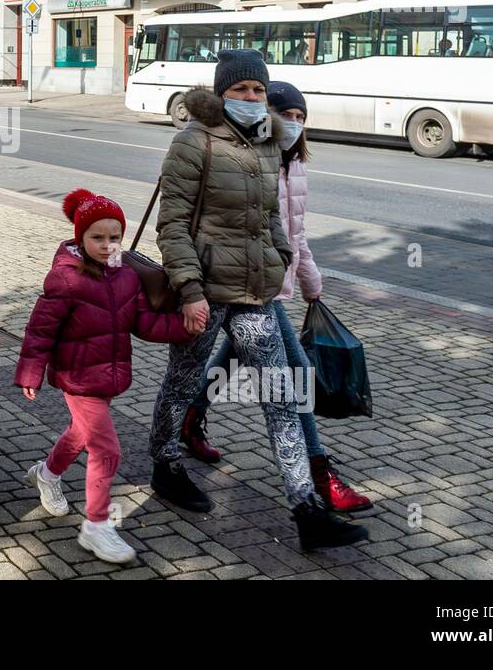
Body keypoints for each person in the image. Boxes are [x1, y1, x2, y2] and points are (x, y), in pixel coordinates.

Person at [148, 49, 368, 550]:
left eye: (258, 90)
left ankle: (307, 511)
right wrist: (189, 290)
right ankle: (164, 463)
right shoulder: (192, 142)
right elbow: (173, 225)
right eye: (241, 90)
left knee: (283, 398)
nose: (252, 98)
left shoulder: (269, 143)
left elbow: (272, 214)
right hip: (205, 296)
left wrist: (281, 254)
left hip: (255, 295)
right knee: (181, 386)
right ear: (222, 93)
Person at [15, 188, 194, 565]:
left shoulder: (127, 276)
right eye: (98, 237)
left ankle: (47, 474)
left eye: (115, 238)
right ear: (80, 237)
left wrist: (184, 327)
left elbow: (144, 323)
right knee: (107, 449)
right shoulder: (64, 280)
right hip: (77, 376)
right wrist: (30, 371)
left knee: (80, 434)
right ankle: (96, 526)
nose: (108, 245)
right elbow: (40, 330)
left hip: (109, 375)